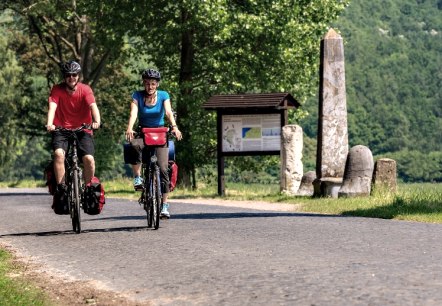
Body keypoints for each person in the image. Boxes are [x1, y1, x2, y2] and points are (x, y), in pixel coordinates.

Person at [125, 68, 182, 219]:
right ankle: (138, 177)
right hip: (144, 132)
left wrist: (174, 127)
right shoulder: (137, 95)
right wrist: (130, 128)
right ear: (143, 83)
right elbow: (134, 113)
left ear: (157, 84)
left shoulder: (164, 95)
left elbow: (168, 112)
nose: (150, 87)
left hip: (160, 133)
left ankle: (164, 205)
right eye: (147, 83)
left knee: (163, 169)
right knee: (134, 145)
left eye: (153, 84)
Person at [46, 60, 101, 212]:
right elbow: (52, 107)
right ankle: (62, 188)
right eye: (68, 75)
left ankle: (89, 189)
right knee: (58, 154)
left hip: (83, 129)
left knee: (88, 159)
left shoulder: (85, 89)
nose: (71, 78)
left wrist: (97, 121)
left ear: (78, 76)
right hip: (61, 129)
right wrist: (50, 123)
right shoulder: (57, 90)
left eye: (74, 75)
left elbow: (93, 107)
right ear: (64, 77)